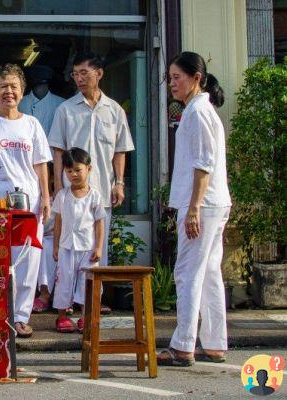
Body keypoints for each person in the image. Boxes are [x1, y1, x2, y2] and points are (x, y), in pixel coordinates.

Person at [156, 51, 231, 367]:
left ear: (196, 78)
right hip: (212, 202)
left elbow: (204, 164)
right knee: (210, 274)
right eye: (170, 77)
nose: (172, 83)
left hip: (202, 203)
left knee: (187, 273)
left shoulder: (198, 112)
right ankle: (214, 343)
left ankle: (183, 345)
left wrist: (194, 209)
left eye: (177, 77)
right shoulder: (200, 110)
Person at [0, 63, 52, 338]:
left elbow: (41, 164)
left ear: (22, 91)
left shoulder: (32, 124)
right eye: (3, 86)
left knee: (28, 258)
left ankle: (20, 317)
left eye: (14, 87)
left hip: (29, 198)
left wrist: (47, 198)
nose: (9, 92)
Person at [48, 52, 135, 314]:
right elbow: (58, 152)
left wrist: (119, 183)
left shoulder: (115, 110)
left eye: (84, 73)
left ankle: (91, 302)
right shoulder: (65, 110)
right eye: (75, 74)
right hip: (71, 193)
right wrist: (56, 188)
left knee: (98, 249)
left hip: (101, 189)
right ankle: (66, 305)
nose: (79, 78)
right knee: (67, 248)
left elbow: (120, 149)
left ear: (99, 73)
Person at [51, 148, 105, 333]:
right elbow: (58, 222)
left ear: (88, 168)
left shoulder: (95, 196)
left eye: (77, 170)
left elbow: (99, 223)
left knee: (87, 282)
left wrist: (98, 247)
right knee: (64, 280)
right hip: (67, 246)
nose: (73, 174)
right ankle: (62, 317)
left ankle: (85, 317)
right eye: (69, 171)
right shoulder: (62, 195)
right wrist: (56, 245)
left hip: (88, 248)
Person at [18, 65, 64, 136]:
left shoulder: (62, 104)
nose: (40, 88)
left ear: (48, 83)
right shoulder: (19, 103)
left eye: (43, 84)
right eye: (38, 84)